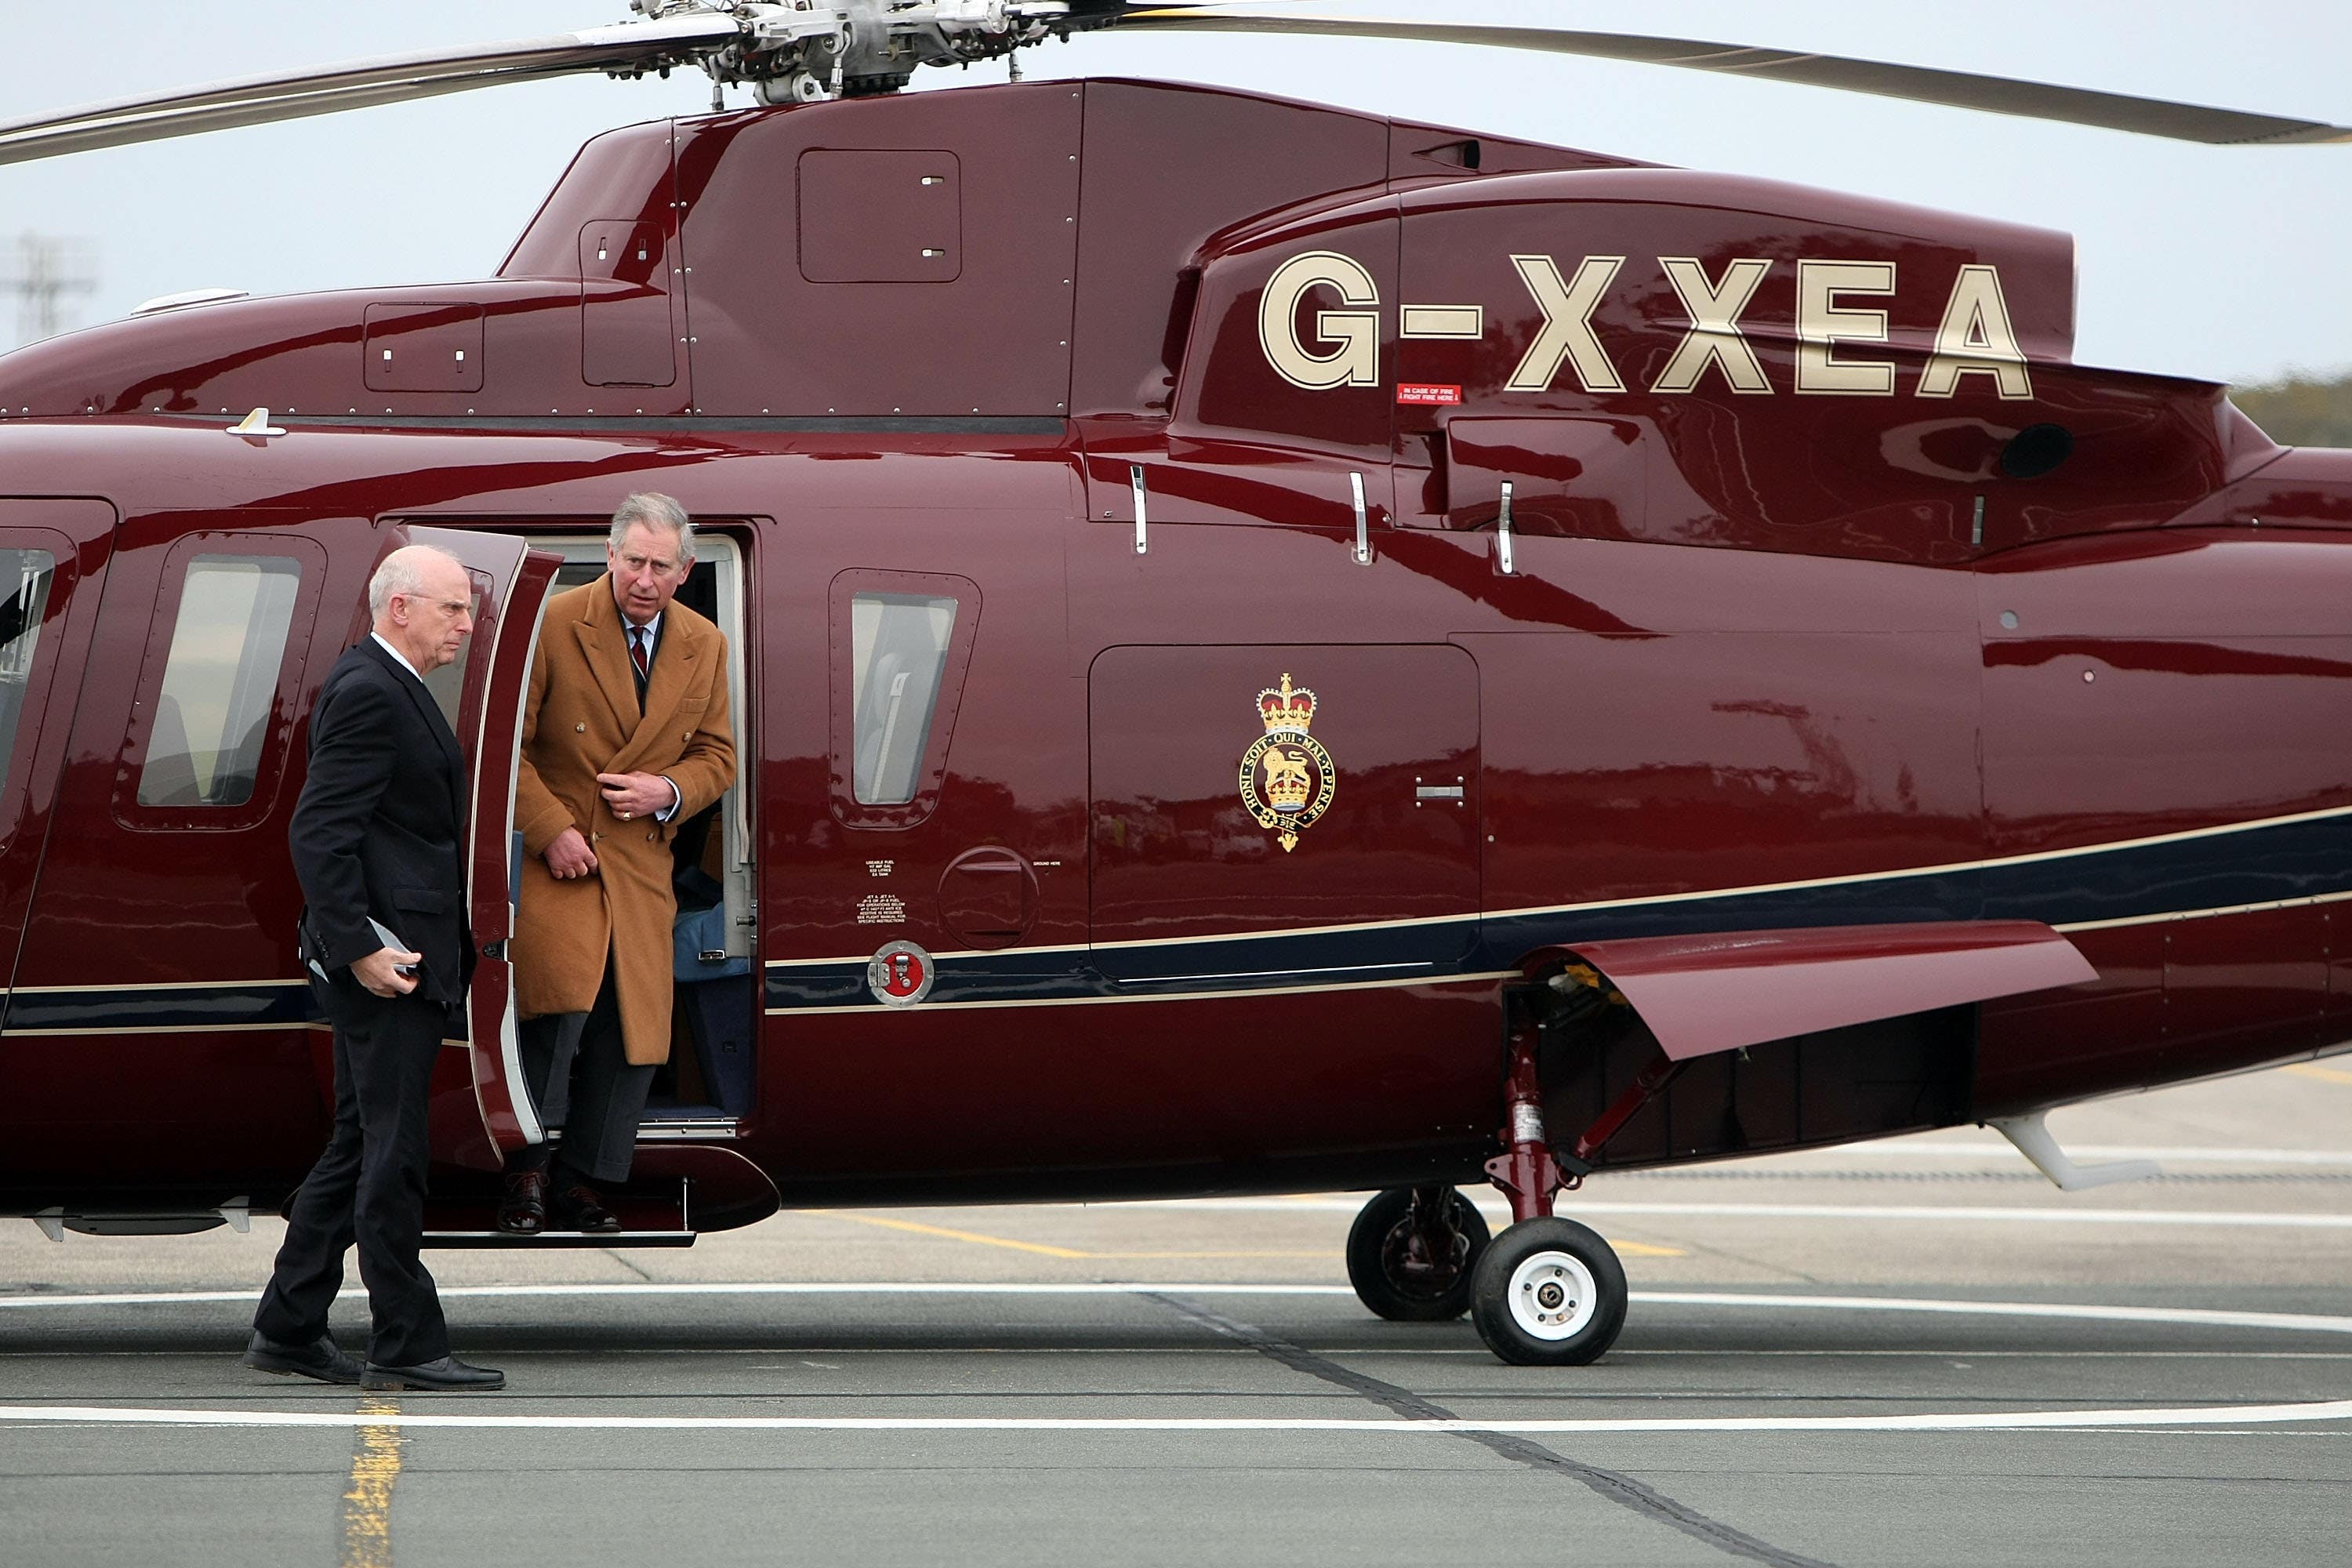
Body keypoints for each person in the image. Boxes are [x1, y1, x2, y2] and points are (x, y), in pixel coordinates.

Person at [249, 546, 505, 1393]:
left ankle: (289, 1322)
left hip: (395, 955)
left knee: (361, 1141)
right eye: (453, 608)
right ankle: (404, 1336)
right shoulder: (370, 690)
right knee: (395, 1152)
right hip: (387, 965)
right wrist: (359, 945)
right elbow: (319, 833)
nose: (466, 624)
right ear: (401, 606)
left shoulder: (387, 682)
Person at [498, 493, 736, 1235]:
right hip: (560, 863)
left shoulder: (706, 642)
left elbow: (718, 758)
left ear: (685, 570)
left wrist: (668, 790)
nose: (644, 577)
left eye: (661, 566)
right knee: (555, 1017)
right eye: (632, 560)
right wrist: (552, 831)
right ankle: (525, 1176)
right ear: (608, 556)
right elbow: (506, 748)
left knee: (630, 1034)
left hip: (638, 869)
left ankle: (584, 1182)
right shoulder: (556, 620)